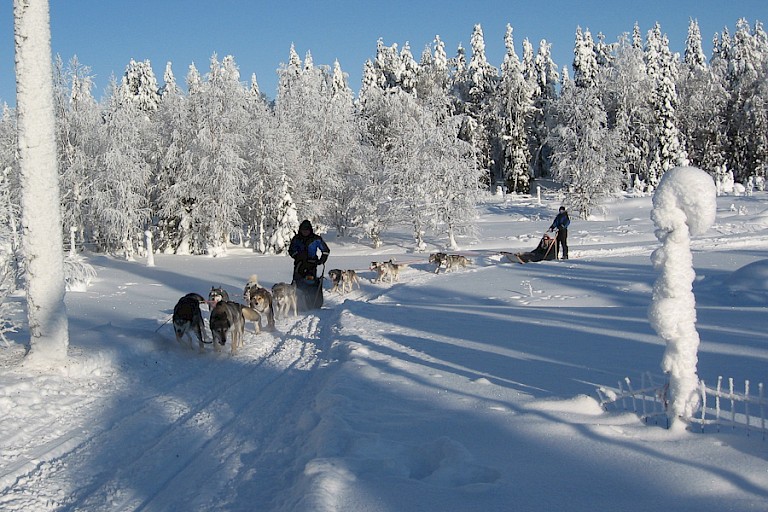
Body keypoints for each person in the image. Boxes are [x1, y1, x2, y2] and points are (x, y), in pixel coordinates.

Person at [288, 219, 330, 284]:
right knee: (297, 282)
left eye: (307, 230)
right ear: (300, 230)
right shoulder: (296, 239)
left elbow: (325, 250)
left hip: (312, 264)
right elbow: (291, 250)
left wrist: (322, 260)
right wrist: (297, 256)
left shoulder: (316, 239)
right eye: (303, 230)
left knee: (311, 283)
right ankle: (296, 293)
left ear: (310, 230)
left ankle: (312, 294)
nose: (305, 232)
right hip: (299, 264)